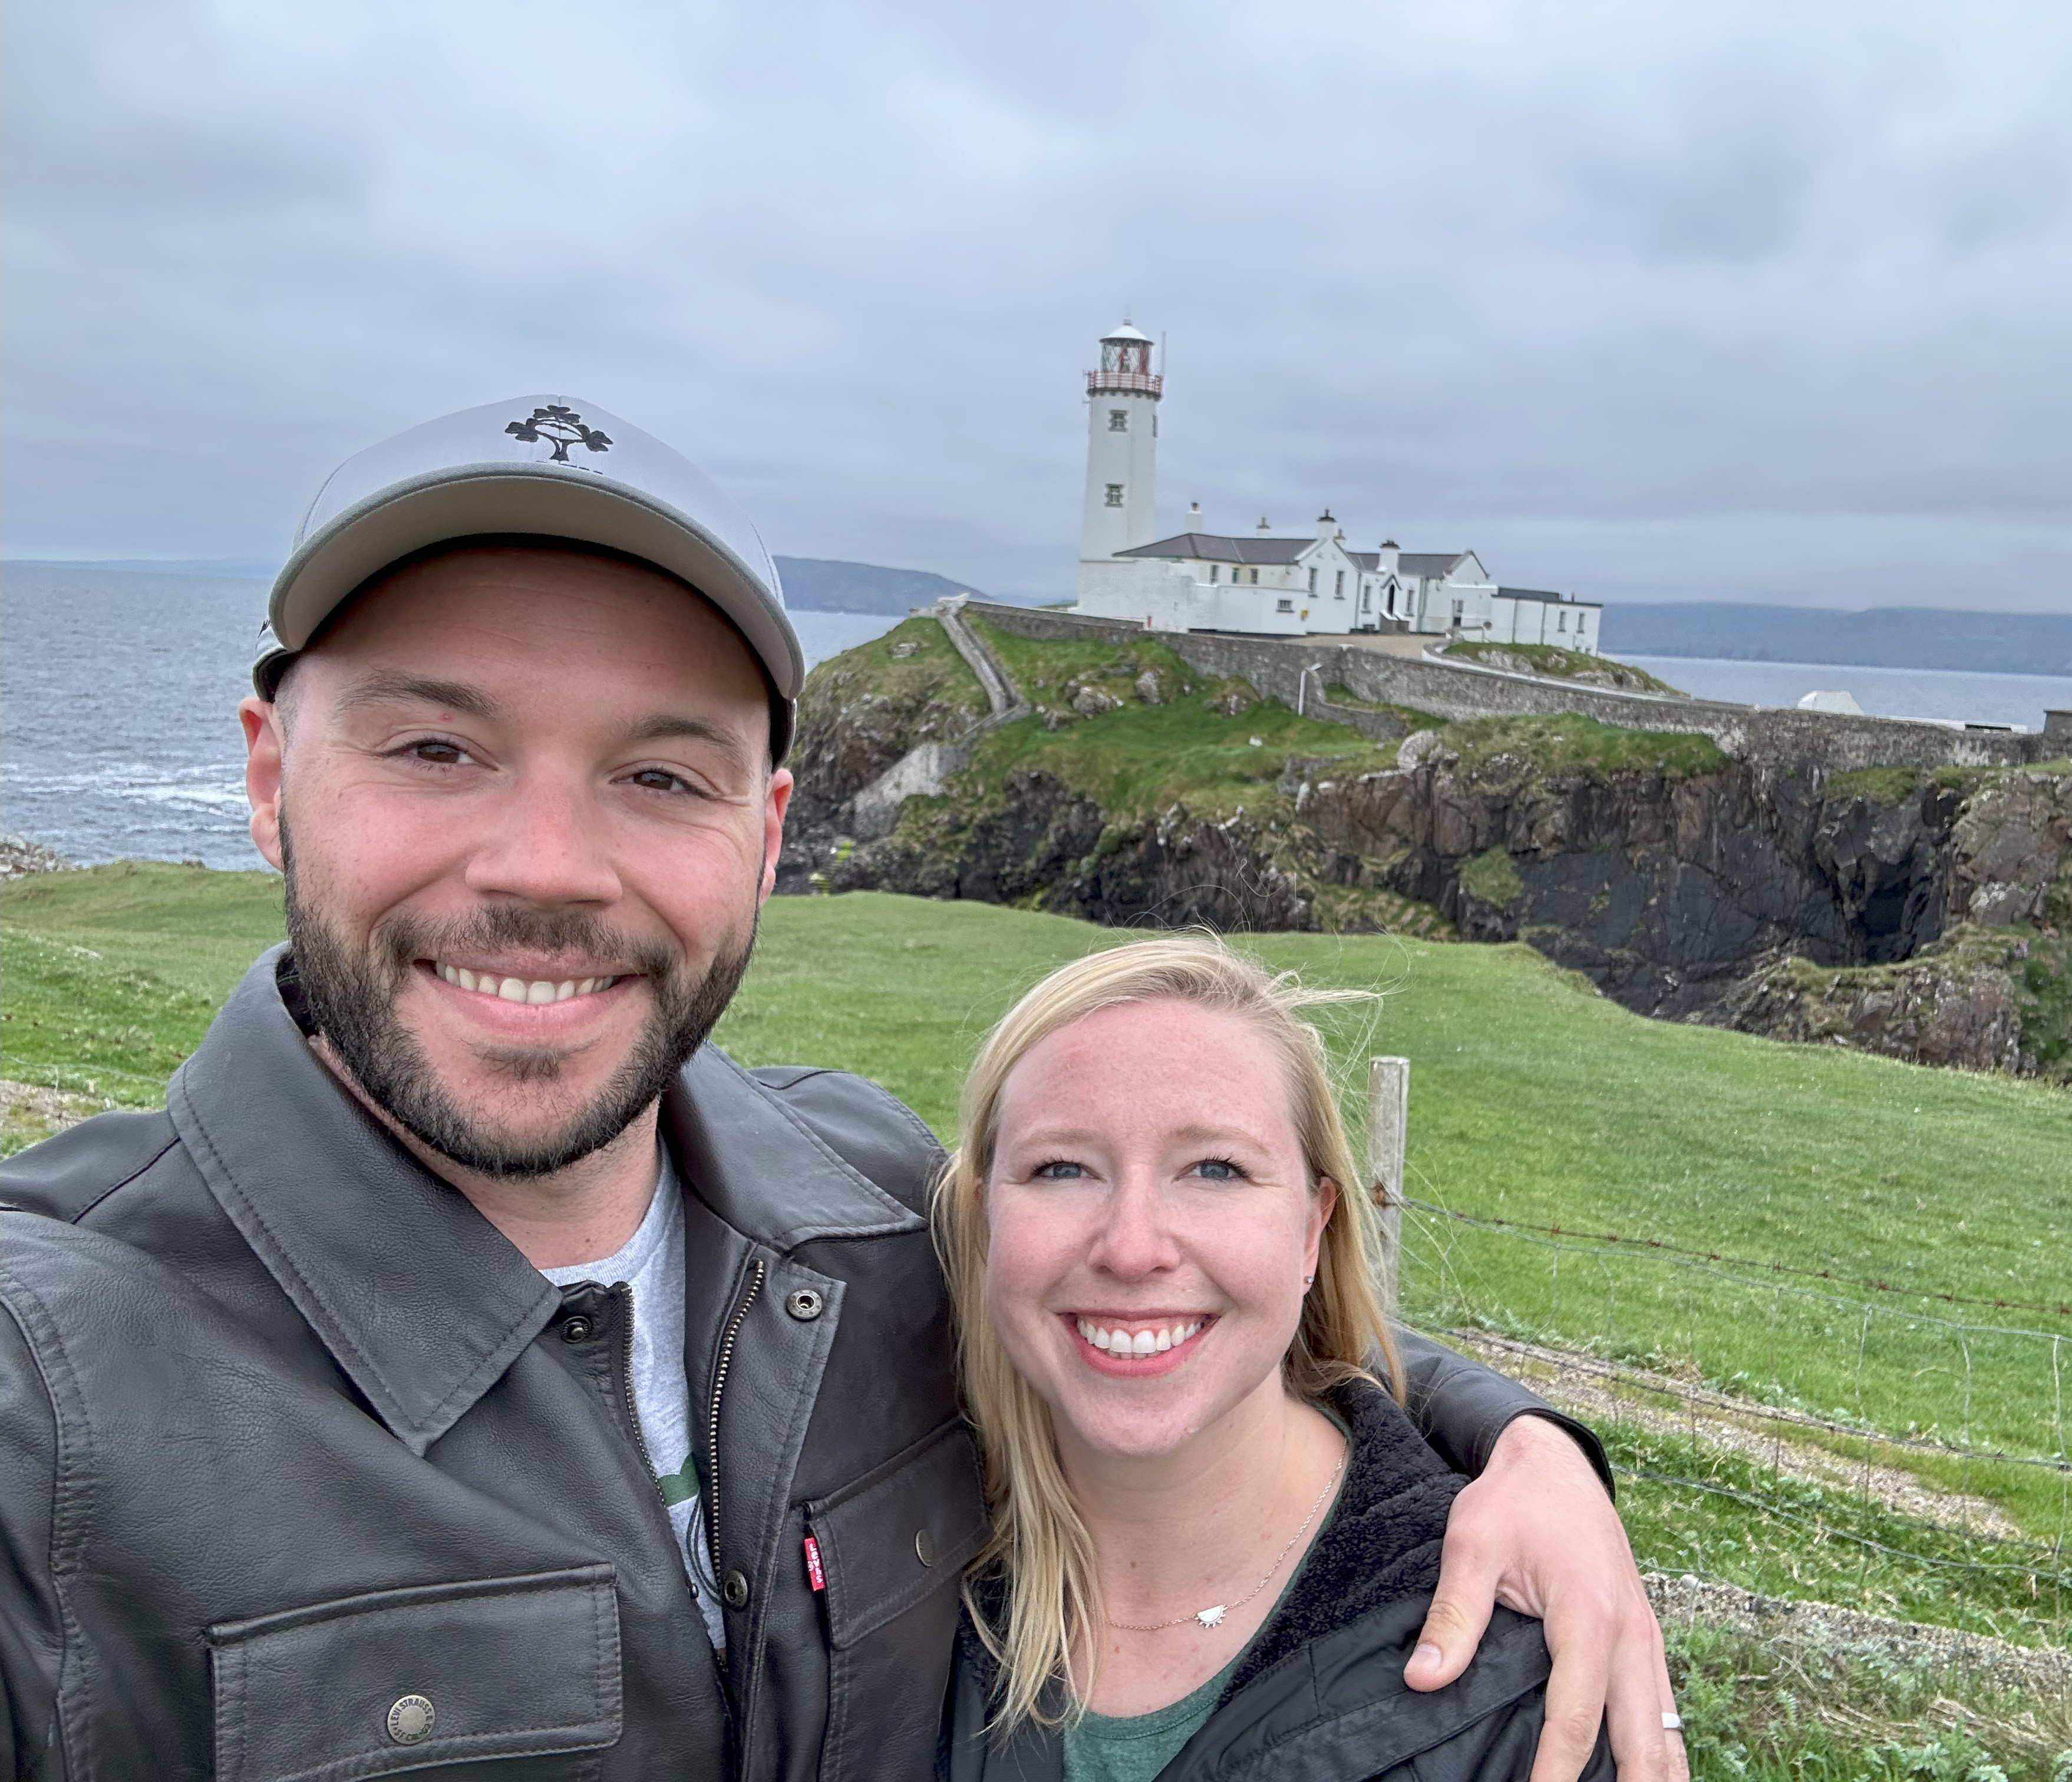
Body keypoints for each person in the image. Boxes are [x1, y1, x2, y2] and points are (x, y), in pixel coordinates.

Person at [0, 396, 1682, 1781]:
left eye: (662, 774)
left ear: (774, 833)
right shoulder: (46, 1393)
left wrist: (1523, 1452)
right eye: (436, 746)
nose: (547, 866)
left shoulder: (866, 1197)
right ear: (268, 775)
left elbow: (1157, 1281)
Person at [938, 936, 1616, 1782]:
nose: (1132, 1248)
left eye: (1215, 1169)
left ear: (1311, 1228)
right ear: (985, 1218)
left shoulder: (1513, 1675)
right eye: (1062, 1167)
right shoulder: (882, 1557)